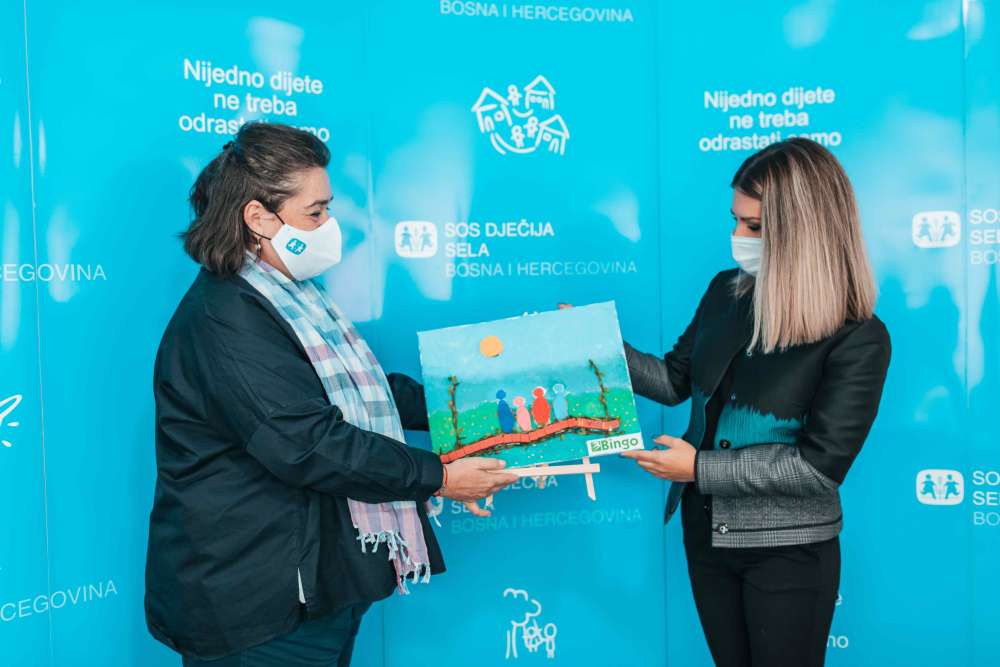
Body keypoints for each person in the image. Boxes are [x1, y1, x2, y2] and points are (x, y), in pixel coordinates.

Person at [145, 122, 517, 667]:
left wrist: (475, 402)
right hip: (258, 608)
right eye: (315, 212)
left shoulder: (292, 297)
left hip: (316, 586)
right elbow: (309, 442)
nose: (330, 226)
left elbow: (368, 394)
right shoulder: (226, 318)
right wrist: (439, 476)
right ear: (258, 218)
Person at [621, 138, 891, 667]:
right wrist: (600, 349)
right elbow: (675, 381)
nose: (737, 239)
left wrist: (697, 468)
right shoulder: (725, 293)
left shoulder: (859, 337)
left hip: (788, 552)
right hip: (707, 535)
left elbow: (818, 469)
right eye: (736, 222)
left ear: (803, 230)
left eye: (755, 226)